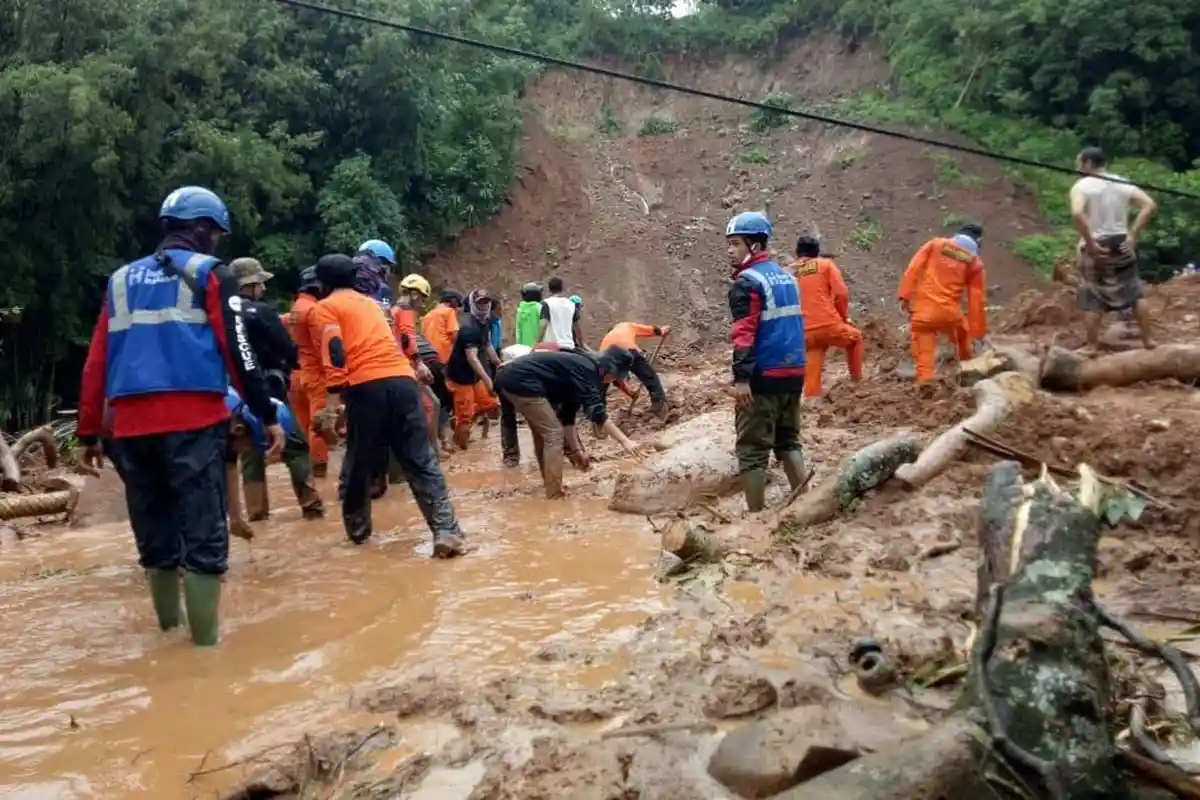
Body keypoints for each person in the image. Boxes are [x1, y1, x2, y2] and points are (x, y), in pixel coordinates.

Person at [76, 186, 283, 647]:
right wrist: (266, 412)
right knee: (204, 534)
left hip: (128, 429)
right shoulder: (210, 274)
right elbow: (238, 349)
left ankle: (168, 639)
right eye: (217, 234)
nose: (218, 243)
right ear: (203, 230)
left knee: (156, 536)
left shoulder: (120, 280)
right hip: (192, 422)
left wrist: (88, 431)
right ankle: (205, 649)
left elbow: (97, 360)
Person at [310, 254, 465, 555]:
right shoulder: (372, 305)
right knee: (421, 460)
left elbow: (336, 356)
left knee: (357, 462)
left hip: (366, 386)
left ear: (323, 282)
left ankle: (359, 535)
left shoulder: (324, 308)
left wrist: (330, 409)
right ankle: (446, 531)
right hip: (403, 382)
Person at [726, 211, 807, 512]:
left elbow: (743, 334)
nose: (729, 250)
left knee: (751, 450)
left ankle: (756, 520)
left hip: (763, 376)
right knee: (788, 440)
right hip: (794, 372)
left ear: (755, 246)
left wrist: (741, 380)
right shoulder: (786, 277)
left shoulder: (747, 283)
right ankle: (807, 503)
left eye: (735, 244)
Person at [496, 346, 643, 498]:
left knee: (545, 433)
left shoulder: (584, 369)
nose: (613, 380)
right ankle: (555, 494)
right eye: (615, 376)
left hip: (512, 378)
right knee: (554, 434)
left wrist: (577, 450)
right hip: (519, 380)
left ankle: (550, 485)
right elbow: (597, 412)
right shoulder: (587, 369)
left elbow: (568, 416)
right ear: (608, 368)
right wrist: (625, 441)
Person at [230, 257, 303, 520]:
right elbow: (286, 347)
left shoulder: (221, 312)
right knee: (295, 445)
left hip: (233, 395)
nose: (264, 288)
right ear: (250, 285)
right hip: (267, 388)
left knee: (250, 450)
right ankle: (312, 508)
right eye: (261, 282)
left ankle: (257, 516)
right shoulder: (261, 312)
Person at [1070, 146, 1158, 351]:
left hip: (1097, 243)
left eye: (1079, 162)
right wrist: (1133, 235)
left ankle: (1091, 346)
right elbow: (1149, 205)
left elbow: (1076, 213)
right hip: (1121, 241)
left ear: (1088, 163)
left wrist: (1090, 242)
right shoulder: (1122, 183)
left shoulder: (1081, 186)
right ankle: (1149, 341)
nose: (1077, 166)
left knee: (1092, 295)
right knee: (1135, 293)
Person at [897, 223, 988, 383]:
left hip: (923, 314)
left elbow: (914, 268)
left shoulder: (935, 245)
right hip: (950, 316)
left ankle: (925, 383)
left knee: (924, 358)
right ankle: (968, 372)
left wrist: (905, 296)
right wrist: (978, 332)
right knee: (963, 339)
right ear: (978, 241)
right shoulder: (974, 263)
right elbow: (977, 300)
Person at [224, 387, 323, 532]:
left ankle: (258, 517)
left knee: (294, 450)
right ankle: (257, 516)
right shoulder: (222, 425)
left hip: (271, 406)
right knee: (251, 456)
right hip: (254, 409)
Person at [790, 235, 863, 398]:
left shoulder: (792, 271)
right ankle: (857, 383)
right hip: (828, 324)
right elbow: (841, 294)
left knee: (813, 358)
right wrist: (844, 317)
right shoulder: (826, 265)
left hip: (804, 331)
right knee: (855, 339)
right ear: (817, 253)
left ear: (797, 253)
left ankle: (812, 399)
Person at [288, 266, 331, 478]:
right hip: (316, 375)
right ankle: (320, 471)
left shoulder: (296, 308)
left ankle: (309, 474)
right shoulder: (314, 310)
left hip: (297, 374)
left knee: (305, 427)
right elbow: (321, 345)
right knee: (320, 425)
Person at [445, 289, 501, 449]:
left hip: (474, 375)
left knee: (491, 404)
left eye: (486, 302)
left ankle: (459, 422)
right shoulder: (469, 327)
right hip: (461, 376)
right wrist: (488, 379)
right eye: (480, 303)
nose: (484, 306)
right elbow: (472, 357)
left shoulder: (486, 321)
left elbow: (488, 344)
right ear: (472, 304)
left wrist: (499, 363)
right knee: (465, 417)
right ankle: (462, 450)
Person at [599, 322, 670, 416]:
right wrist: (662, 331)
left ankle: (600, 416)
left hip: (605, 358)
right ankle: (659, 405)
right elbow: (650, 330)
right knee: (648, 376)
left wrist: (630, 393)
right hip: (627, 348)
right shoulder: (625, 325)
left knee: (602, 389)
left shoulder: (605, 340)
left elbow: (616, 380)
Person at [421, 289, 463, 451]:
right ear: (452, 302)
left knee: (431, 402)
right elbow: (453, 336)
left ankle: (437, 439)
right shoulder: (448, 312)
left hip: (426, 360)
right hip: (442, 361)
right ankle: (443, 440)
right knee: (444, 402)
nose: (457, 310)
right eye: (457, 306)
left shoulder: (427, 316)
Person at [538, 277, 583, 350]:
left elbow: (543, 325)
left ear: (549, 289)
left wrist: (537, 343)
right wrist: (582, 345)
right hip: (569, 346)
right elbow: (577, 328)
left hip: (552, 347)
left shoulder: (546, 303)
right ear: (562, 288)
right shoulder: (571, 304)